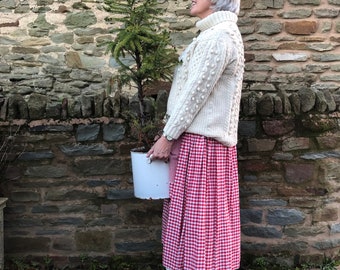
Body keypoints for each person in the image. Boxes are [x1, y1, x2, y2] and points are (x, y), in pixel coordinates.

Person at [147, 0, 244, 268]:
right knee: (195, 221)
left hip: (203, 145)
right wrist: (170, 132)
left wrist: (168, 136)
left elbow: (194, 96)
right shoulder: (212, 34)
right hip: (196, 142)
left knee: (200, 223)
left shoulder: (220, 37)